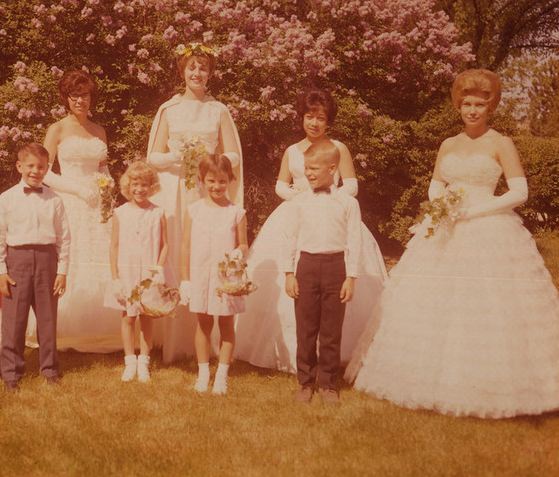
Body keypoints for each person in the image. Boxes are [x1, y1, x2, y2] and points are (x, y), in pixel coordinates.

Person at [346, 69, 559, 418]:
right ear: (458, 107)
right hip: (446, 227)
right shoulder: (449, 144)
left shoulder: (500, 143)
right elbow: (436, 183)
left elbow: (520, 192)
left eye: (479, 104)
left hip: (488, 228)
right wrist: (440, 205)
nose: (472, 110)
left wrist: (475, 212)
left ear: (490, 107)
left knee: (486, 309)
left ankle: (494, 388)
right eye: (466, 104)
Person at [234, 88, 386, 370]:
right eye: (309, 117)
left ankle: (334, 359)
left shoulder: (338, 148)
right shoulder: (293, 151)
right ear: (301, 118)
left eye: (320, 118)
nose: (314, 123)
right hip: (297, 213)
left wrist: (330, 192)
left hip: (332, 216)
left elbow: (351, 184)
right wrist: (301, 194)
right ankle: (294, 358)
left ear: (328, 121)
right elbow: (280, 185)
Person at [147, 43, 243, 362]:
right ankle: (168, 338)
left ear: (211, 73)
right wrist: (179, 155)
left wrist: (206, 157)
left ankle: (208, 335)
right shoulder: (169, 110)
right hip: (175, 190)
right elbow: (153, 156)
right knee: (176, 252)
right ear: (182, 72)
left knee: (207, 253)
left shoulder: (218, 111)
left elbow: (234, 155)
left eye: (203, 67)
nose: (197, 73)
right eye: (191, 67)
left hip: (207, 191)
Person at [41, 70, 122, 352]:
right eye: (74, 95)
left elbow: (103, 168)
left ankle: (106, 325)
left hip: (98, 203)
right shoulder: (58, 129)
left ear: (92, 97)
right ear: (66, 98)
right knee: (72, 259)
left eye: (85, 95)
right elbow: (43, 172)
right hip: (70, 200)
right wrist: (75, 189)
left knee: (103, 258)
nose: (80, 100)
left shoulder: (99, 130)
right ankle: (66, 325)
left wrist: (108, 190)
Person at [283, 140, 362, 407]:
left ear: (332, 168)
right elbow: (289, 238)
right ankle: (305, 382)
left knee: (331, 330)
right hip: (305, 267)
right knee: (305, 329)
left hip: (335, 267)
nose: (309, 174)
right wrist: (288, 273)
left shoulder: (347, 203)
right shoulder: (299, 201)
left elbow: (354, 241)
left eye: (314, 169)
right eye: (306, 168)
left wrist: (350, 277)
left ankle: (328, 384)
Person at [0, 143, 71, 390]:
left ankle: (49, 369)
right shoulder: (6, 198)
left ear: (48, 169)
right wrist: (0, 271)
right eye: (30, 166)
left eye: (41, 167)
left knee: (47, 320)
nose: (35, 171)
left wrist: (62, 271)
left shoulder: (55, 200)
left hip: (47, 261)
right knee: (14, 321)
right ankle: (11, 374)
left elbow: (64, 237)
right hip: (17, 261)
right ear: (19, 167)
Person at [181, 154, 248, 395]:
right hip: (200, 276)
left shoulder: (236, 212)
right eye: (211, 181)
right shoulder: (194, 210)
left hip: (226, 278)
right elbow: (186, 246)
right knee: (204, 323)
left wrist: (238, 254)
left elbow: (243, 244)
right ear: (201, 180)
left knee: (227, 324)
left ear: (230, 180)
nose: (216, 186)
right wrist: (186, 279)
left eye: (222, 181)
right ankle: (203, 373)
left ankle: (221, 375)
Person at [106, 160, 171, 382]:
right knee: (128, 316)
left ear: (151, 187)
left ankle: (144, 361)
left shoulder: (158, 212)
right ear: (128, 185)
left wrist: (159, 268)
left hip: (149, 275)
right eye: (135, 184)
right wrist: (115, 278)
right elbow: (113, 247)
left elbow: (165, 244)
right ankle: (129, 362)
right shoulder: (120, 213)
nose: (139, 189)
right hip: (127, 273)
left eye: (144, 185)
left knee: (146, 317)